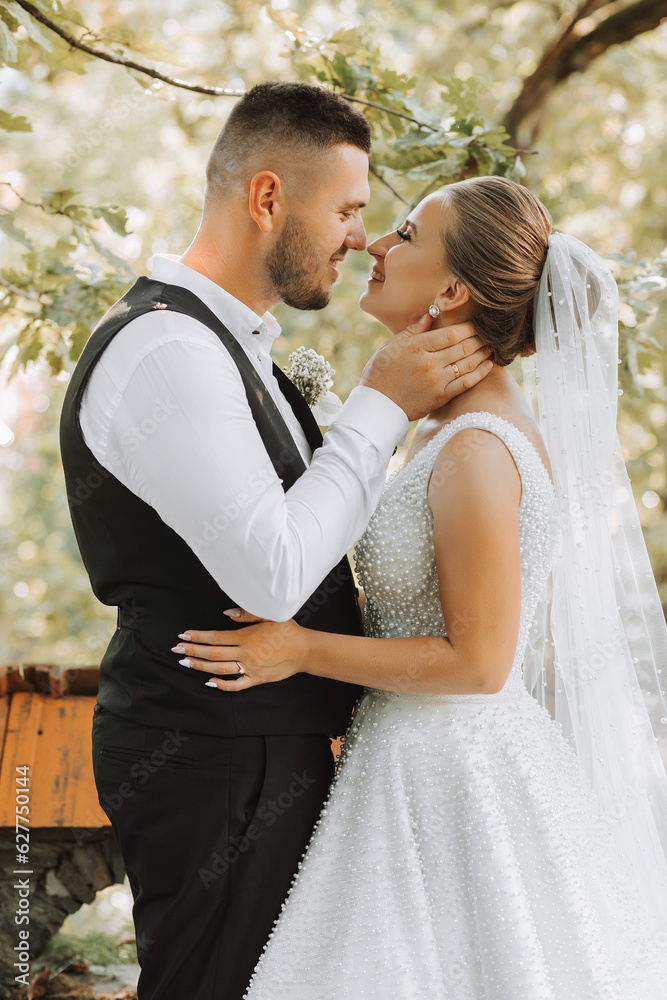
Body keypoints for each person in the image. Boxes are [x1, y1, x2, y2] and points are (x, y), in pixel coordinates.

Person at [178, 176, 667, 998]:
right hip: (409, 760)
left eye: (403, 235)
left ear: (451, 290)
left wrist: (296, 648)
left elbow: (479, 665)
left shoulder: (478, 448)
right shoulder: (439, 428)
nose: (372, 244)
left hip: (452, 779)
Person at [59, 82, 492, 1000]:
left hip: (255, 752)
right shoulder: (168, 351)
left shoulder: (230, 343)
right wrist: (381, 405)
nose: (361, 237)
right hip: (213, 753)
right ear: (266, 200)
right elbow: (275, 570)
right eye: (344, 209)